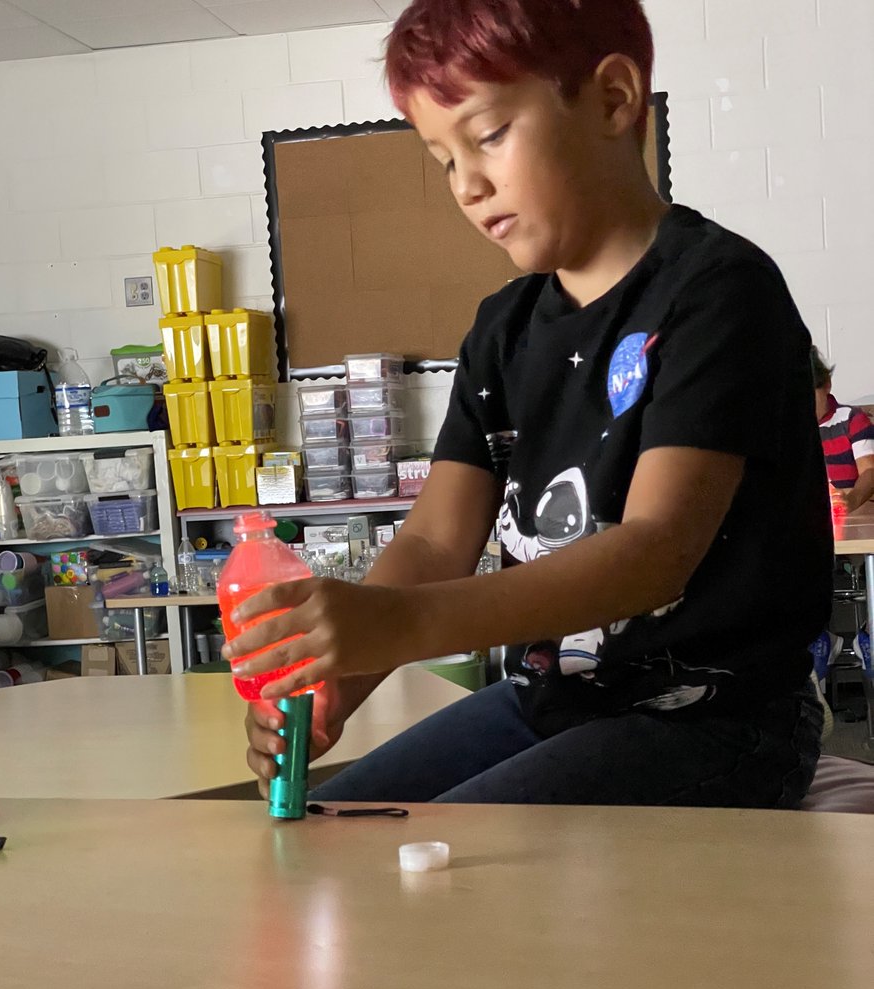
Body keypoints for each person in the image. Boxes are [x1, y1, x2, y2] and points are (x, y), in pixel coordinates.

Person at [229, 0, 833, 808]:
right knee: (329, 840)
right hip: (550, 702)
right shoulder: (502, 328)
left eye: (486, 136)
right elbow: (436, 540)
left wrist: (398, 626)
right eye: (443, 160)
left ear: (615, 100)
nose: (468, 187)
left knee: (423, 868)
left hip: (714, 721)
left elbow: (655, 551)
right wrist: (342, 674)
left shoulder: (719, 290)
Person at [812, 346, 874, 513]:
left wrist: (851, 500)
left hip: (849, 516)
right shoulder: (786, 429)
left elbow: (869, 471)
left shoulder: (851, 419)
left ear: (826, 385)